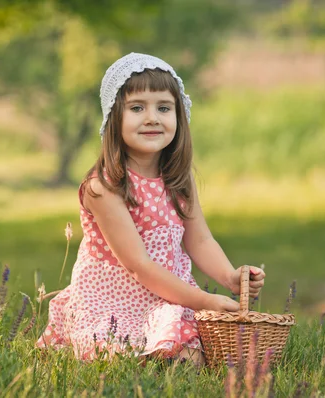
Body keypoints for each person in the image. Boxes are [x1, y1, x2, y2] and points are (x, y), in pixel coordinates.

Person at [36, 52, 265, 365]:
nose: (152, 118)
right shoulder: (104, 187)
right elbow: (138, 266)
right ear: (113, 117)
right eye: (137, 108)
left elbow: (200, 241)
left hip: (168, 297)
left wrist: (230, 276)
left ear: (178, 116)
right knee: (126, 359)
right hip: (113, 303)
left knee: (189, 355)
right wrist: (203, 300)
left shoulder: (178, 180)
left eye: (164, 107)